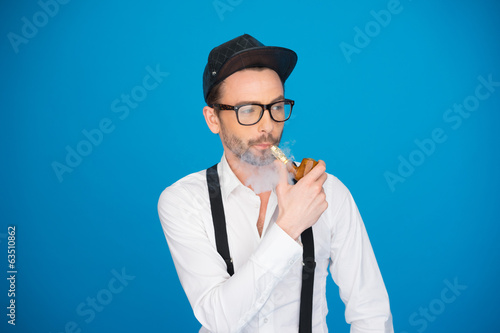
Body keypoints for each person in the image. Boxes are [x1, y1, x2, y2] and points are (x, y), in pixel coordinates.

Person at [158, 34, 393, 333]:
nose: (267, 125)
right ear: (213, 119)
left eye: (276, 106)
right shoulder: (184, 201)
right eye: (248, 110)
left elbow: (371, 312)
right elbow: (219, 319)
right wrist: (289, 226)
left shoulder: (327, 192)